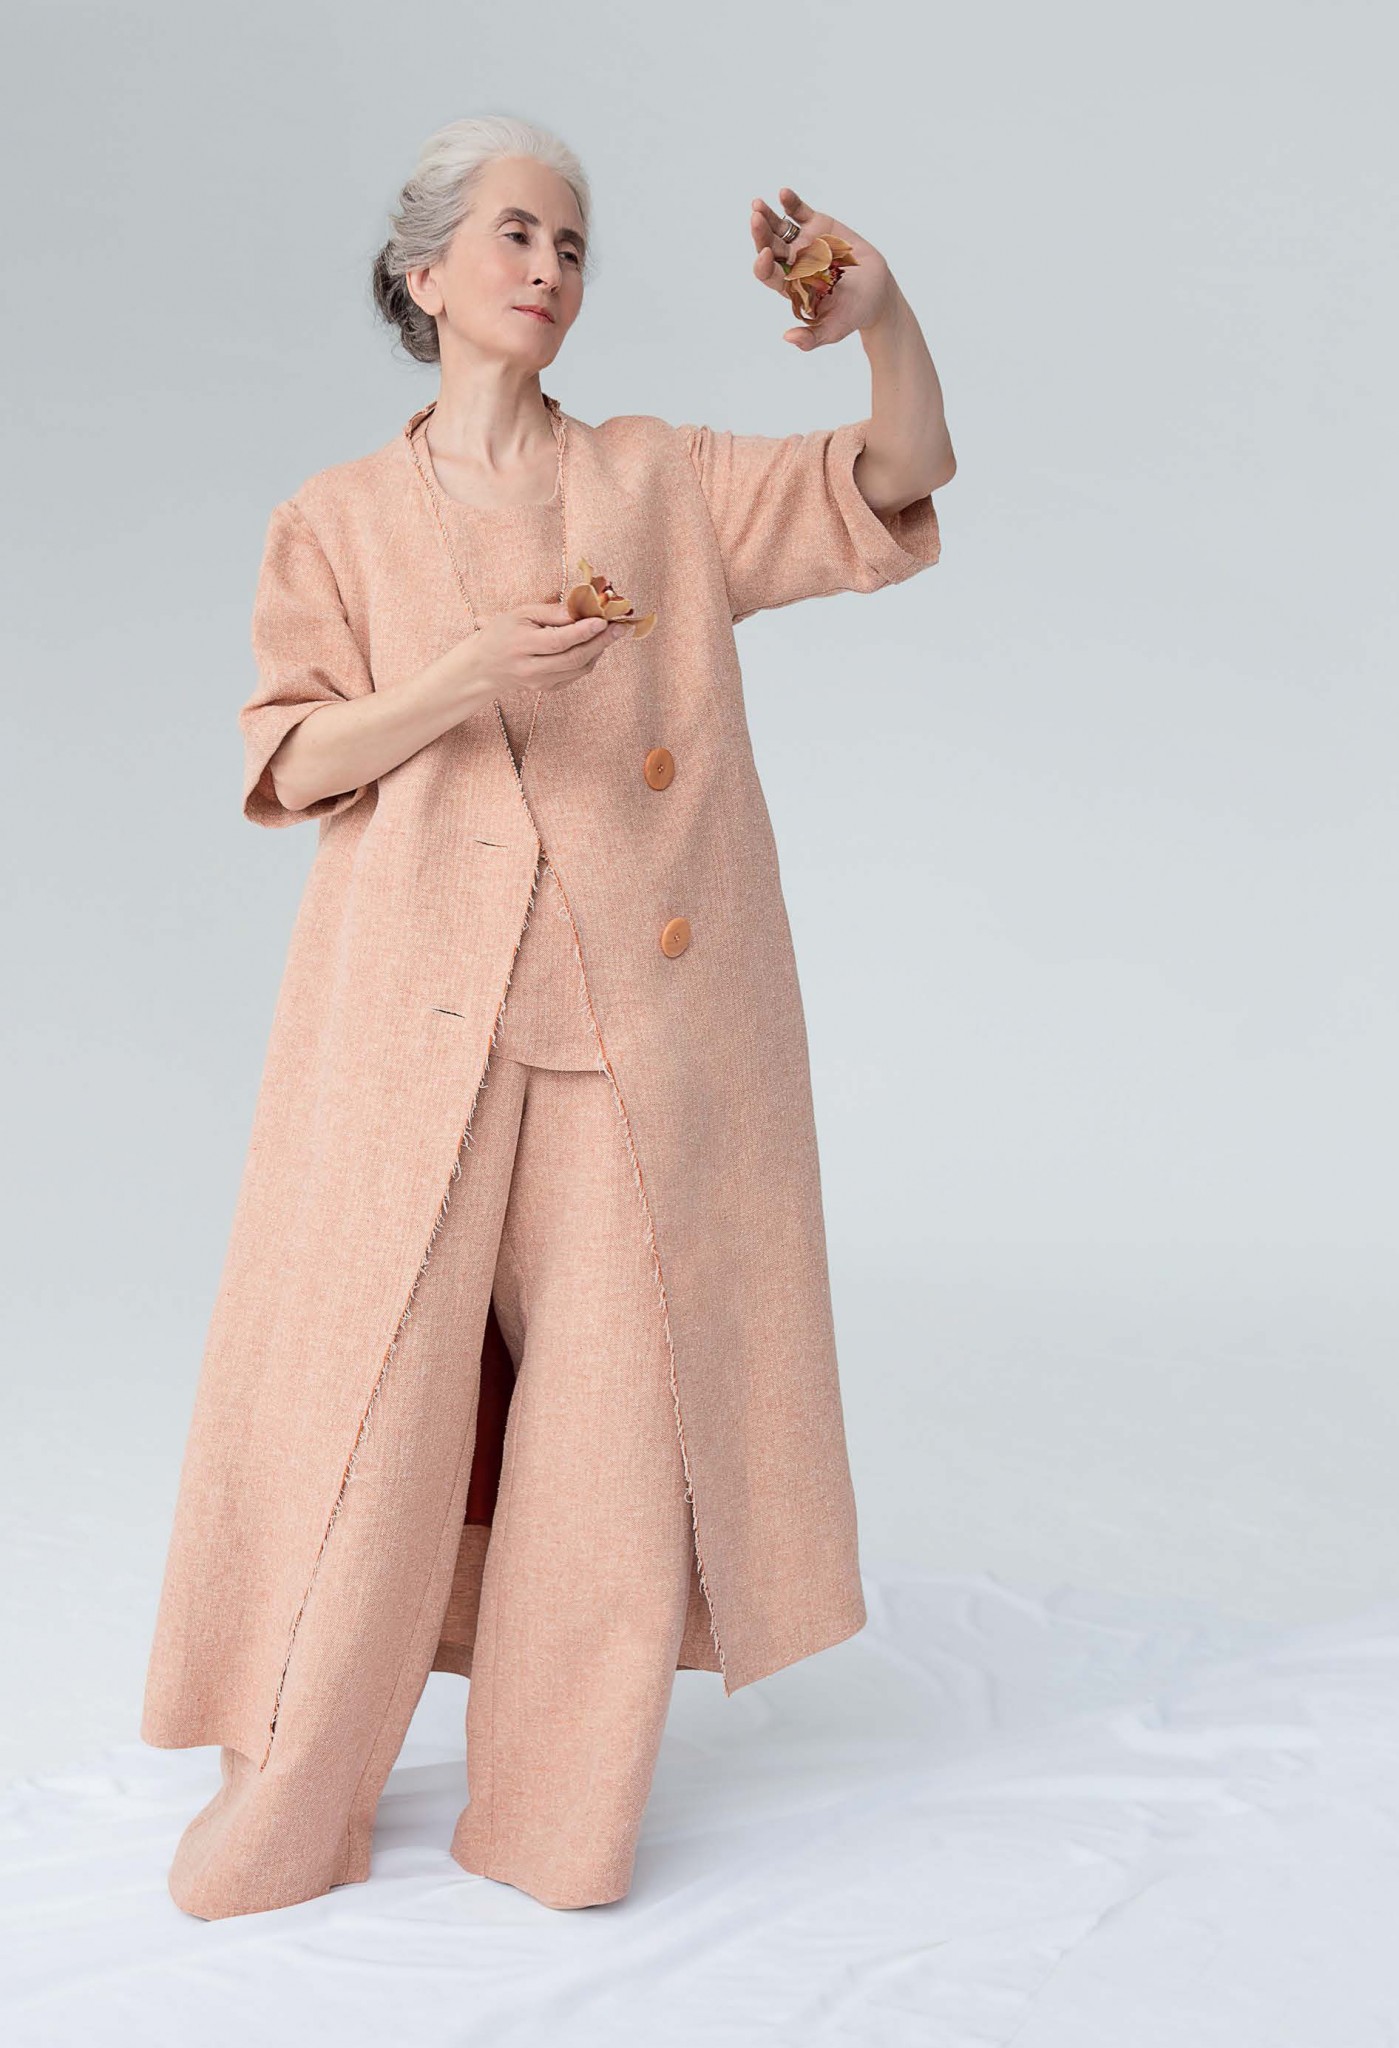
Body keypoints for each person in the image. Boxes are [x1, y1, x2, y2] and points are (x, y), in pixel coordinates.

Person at [140, 113, 955, 1920]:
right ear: (424, 273)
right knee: (368, 1420)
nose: (550, 270)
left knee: (612, 1441)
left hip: (646, 1041)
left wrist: (885, 314)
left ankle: (557, 1824)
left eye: (573, 245)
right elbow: (291, 758)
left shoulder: (657, 478)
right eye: (516, 235)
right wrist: (465, 676)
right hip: (410, 1037)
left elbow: (900, 474)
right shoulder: (337, 518)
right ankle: (293, 1801)